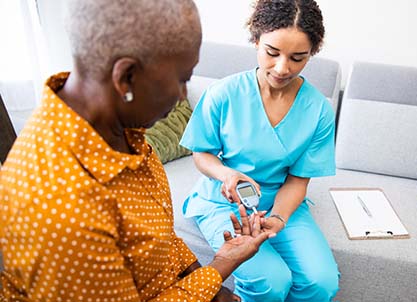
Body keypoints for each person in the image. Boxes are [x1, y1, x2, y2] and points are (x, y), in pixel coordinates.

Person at [0, 0, 271, 301]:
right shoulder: (62, 208)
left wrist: (208, 284)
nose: (183, 95)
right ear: (126, 77)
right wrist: (219, 268)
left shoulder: (124, 132)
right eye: (182, 80)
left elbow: (160, 240)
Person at [180, 0, 340, 300]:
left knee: (322, 281)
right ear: (256, 41)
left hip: (282, 202)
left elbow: (298, 180)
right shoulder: (223, 93)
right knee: (270, 279)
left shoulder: (318, 109)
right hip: (224, 201)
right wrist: (226, 174)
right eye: (272, 53)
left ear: (312, 54)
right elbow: (201, 154)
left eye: (297, 58)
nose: (282, 68)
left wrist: (278, 218)